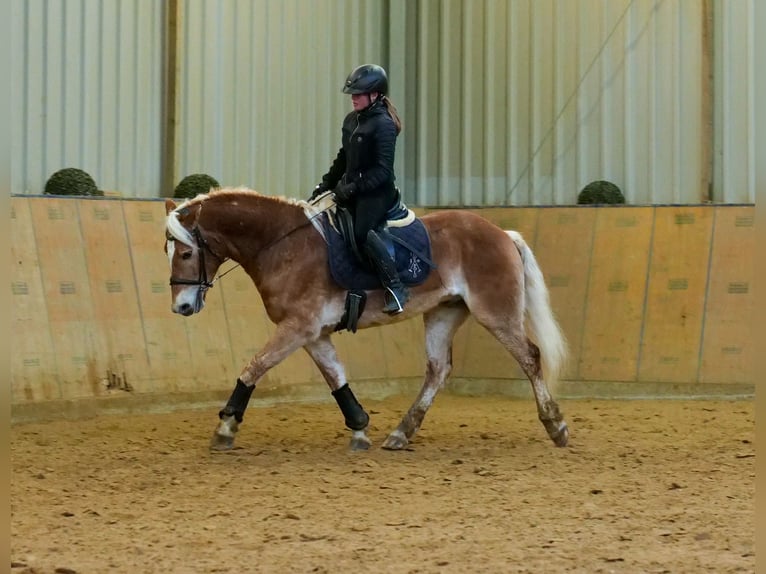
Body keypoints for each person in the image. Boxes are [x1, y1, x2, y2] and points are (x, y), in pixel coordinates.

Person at [310, 64, 409, 315]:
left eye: (358, 94)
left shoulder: (384, 125)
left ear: (375, 95)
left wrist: (353, 188)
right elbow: (344, 158)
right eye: (352, 94)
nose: (353, 98)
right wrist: (325, 185)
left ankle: (395, 287)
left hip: (377, 193)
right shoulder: (352, 120)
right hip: (352, 189)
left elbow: (382, 170)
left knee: (362, 231)